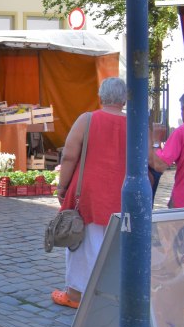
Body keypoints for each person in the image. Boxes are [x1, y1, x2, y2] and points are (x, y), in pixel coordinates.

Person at [51, 77, 128, 309]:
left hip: (89, 191)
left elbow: (69, 156)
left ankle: (75, 294)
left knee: (82, 242)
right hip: (123, 192)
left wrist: (62, 187)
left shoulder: (88, 119)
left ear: (101, 96)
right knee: (117, 243)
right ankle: (112, 293)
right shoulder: (136, 123)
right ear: (124, 100)